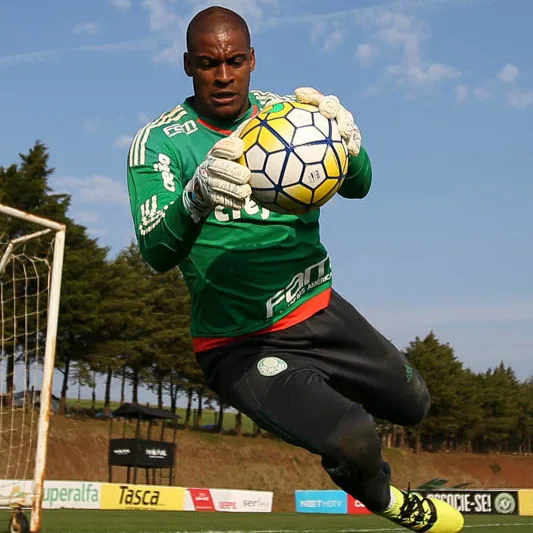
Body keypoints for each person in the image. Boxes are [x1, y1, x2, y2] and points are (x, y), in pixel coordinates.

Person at [126, 6, 464, 532]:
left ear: (253, 61)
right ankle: (386, 499)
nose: (223, 76)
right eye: (208, 63)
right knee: (354, 438)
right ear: (187, 64)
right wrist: (195, 197)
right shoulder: (161, 143)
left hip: (320, 310)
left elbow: (360, 185)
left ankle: (335, 413)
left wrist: (350, 146)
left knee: (415, 403)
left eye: (235, 61)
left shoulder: (288, 117)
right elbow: (155, 251)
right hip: (240, 343)